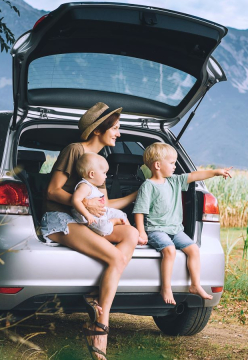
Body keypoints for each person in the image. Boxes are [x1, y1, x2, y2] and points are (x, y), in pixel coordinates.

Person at [41, 102, 146, 359]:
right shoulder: (75, 150)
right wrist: (82, 203)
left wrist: (137, 195)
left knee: (130, 234)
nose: (119, 134)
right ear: (99, 129)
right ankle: (101, 324)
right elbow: (52, 190)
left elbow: (104, 204)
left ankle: (98, 303)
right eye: (116, 128)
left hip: (88, 220)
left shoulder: (102, 161)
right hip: (62, 218)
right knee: (116, 257)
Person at [133, 143, 232, 305]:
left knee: (193, 249)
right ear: (158, 165)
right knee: (169, 250)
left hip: (175, 230)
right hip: (156, 229)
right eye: (172, 163)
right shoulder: (148, 186)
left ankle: (195, 285)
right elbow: (139, 211)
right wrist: (142, 232)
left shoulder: (175, 181)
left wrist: (216, 172)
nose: (174, 166)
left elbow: (195, 176)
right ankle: (166, 287)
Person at [71, 152, 128, 236]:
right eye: (104, 173)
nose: (106, 176)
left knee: (121, 214)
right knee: (104, 229)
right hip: (90, 217)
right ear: (92, 174)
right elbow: (75, 200)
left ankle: (134, 234)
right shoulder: (85, 186)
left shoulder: (93, 186)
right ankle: (113, 222)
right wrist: (87, 215)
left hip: (101, 213)